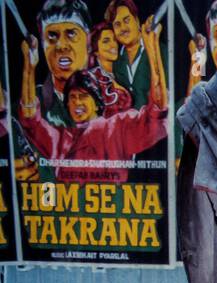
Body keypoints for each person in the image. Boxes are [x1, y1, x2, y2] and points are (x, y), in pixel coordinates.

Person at [18, 13, 167, 184]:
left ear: (97, 103)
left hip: (115, 208)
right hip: (71, 209)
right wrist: (29, 67)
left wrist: (151, 46)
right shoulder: (60, 140)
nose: (77, 103)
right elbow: (30, 118)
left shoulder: (117, 128)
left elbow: (157, 109)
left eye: (82, 96)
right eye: (72, 98)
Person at [31, 0, 92, 128]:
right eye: (52, 36)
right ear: (42, 44)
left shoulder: (112, 97)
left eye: (71, 34)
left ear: (88, 41)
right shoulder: (31, 103)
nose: (61, 46)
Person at [106, 1, 158, 111]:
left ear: (137, 21)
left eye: (126, 20)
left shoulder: (159, 50)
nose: (123, 28)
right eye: (117, 24)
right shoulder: (116, 63)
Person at [88, 20, 133, 116]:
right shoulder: (91, 78)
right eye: (106, 41)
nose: (113, 45)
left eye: (114, 40)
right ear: (96, 50)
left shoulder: (124, 72)